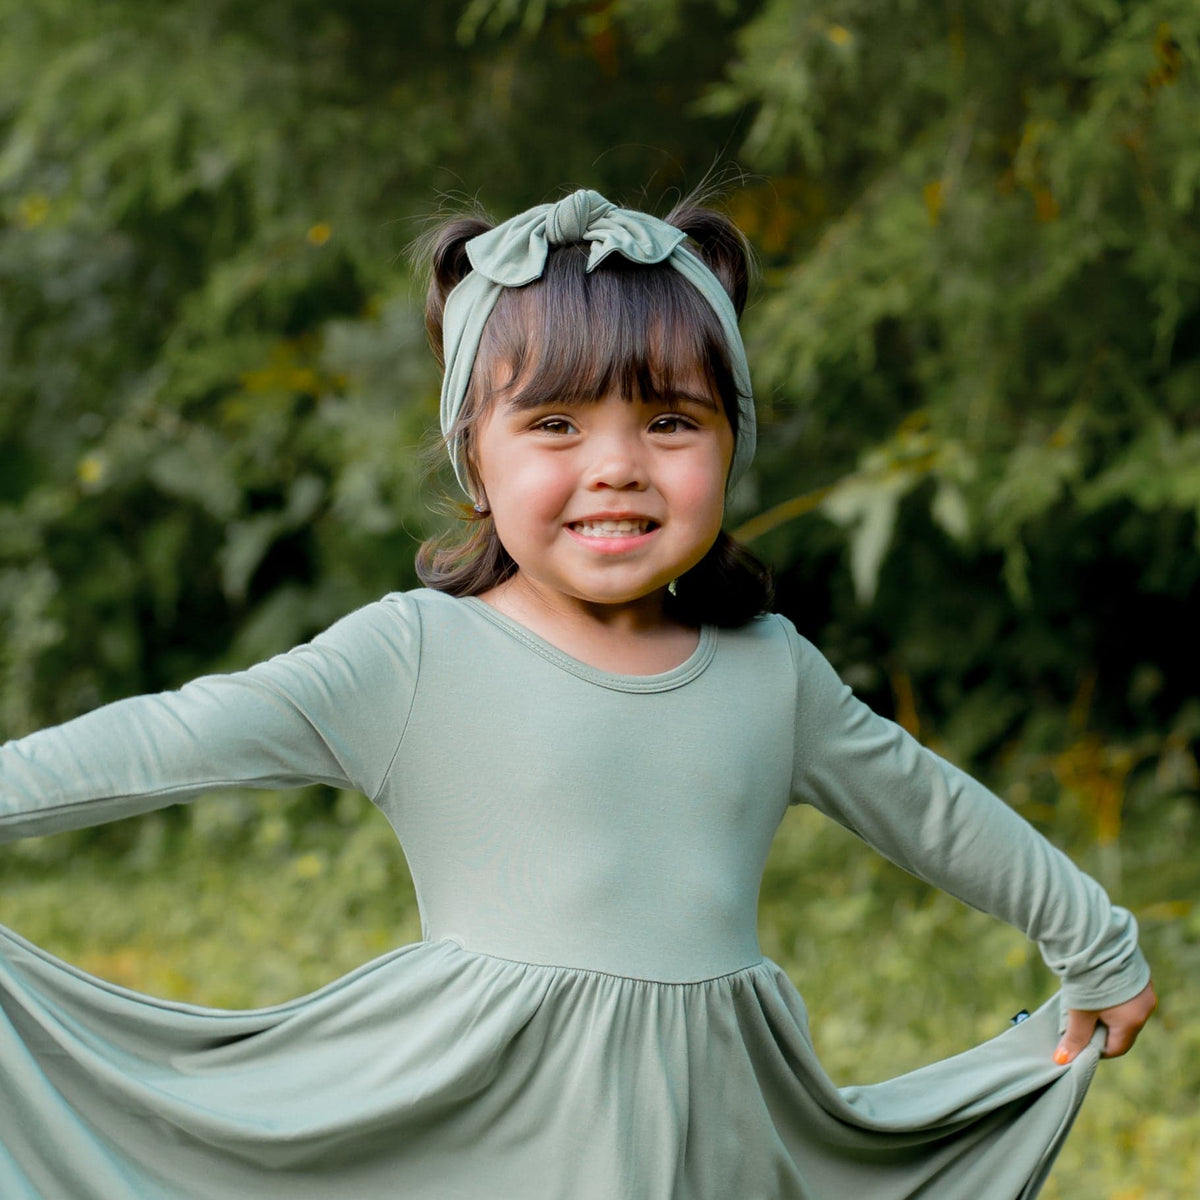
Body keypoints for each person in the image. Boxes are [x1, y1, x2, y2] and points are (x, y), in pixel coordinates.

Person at [0, 188, 1155, 1200]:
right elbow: (168, 739)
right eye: (554, 423)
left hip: (721, 1131)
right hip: (477, 1127)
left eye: (669, 421)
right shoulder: (413, 659)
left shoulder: (770, 675)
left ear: (728, 443)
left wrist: (1095, 945)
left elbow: (934, 812)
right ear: (474, 455)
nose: (616, 464)